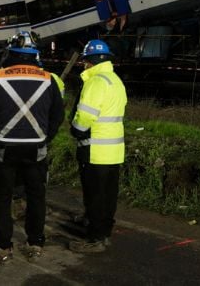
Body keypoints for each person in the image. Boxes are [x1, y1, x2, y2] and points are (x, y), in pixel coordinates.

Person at [0, 31, 64, 264]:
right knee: (37, 197)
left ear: (11, 52)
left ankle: (3, 248)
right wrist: (45, 138)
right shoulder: (49, 79)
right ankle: (35, 243)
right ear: (35, 54)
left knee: (2, 198)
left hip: (3, 148)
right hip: (36, 148)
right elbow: (58, 115)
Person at [68, 39, 127, 253]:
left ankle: (95, 239)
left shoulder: (95, 82)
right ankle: (103, 230)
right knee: (108, 196)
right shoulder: (115, 81)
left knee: (94, 195)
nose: (83, 66)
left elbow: (84, 117)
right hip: (113, 151)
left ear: (89, 62)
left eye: (85, 62)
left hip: (94, 151)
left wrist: (74, 129)